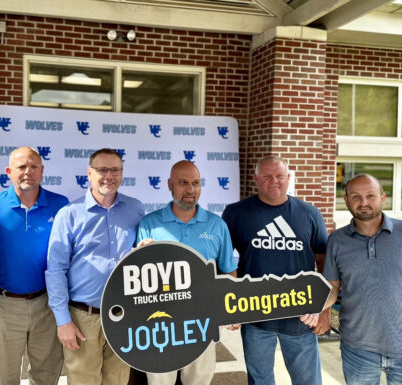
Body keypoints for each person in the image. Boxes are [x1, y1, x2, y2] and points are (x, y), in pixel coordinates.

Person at [322, 173, 402, 384]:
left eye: (370, 195)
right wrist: (318, 308)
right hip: (358, 348)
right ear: (346, 201)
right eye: (356, 196)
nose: (364, 202)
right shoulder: (337, 240)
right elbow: (332, 286)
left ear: (383, 198)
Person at [222, 155, 330, 385]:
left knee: (308, 381)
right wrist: (229, 306)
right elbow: (225, 262)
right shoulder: (235, 213)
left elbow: (324, 263)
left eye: (280, 176)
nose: (274, 181)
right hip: (255, 315)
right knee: (260, 380)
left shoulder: (310, 214)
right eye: (267, 176)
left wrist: (324, 309)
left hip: (301, 315)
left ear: (289, 178)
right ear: (256, 178)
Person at [46, 148, 145, 385]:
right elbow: (56, 270)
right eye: (102, 170)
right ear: (89, 173)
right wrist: (63, 320)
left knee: (118, 380)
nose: (109, 176)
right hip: (83, 318)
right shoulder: (69, 214)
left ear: (122, 174)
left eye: (115, 170)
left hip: (125, 314)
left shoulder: (136, 209)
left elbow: (141, 257)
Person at [137, 160, 237, 385]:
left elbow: (229, 271)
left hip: (202, 323)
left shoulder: (216, 225)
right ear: (170, 184)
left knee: (198, 382)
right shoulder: (149, 224)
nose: (190, 189)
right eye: (183, 183)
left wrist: (232, 311)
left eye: (195, 183)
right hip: (159, 325)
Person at [0, 146, 68, 385]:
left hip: (48, 305)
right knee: (1, 379)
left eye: (34, 166)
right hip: (3, 305)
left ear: (42, 170)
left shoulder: (61, 205)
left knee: (46, 377)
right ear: (9, 171)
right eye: (21, 167)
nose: (28, 171)